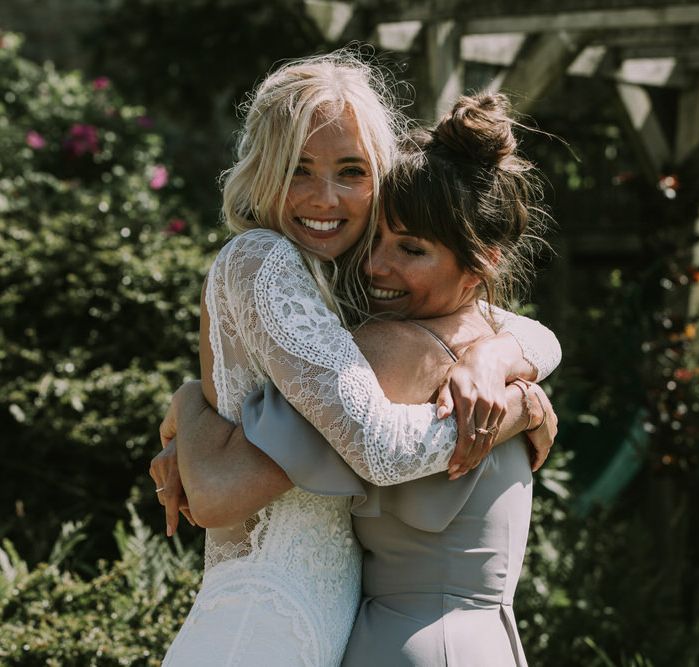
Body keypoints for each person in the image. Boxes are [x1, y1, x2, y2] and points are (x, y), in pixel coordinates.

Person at [151, 52, 560, 667]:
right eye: (298, 170)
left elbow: (516, 329)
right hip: (268, 615)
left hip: (339, 621)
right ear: (263, 170)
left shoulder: (352, 293)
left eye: (351, 170)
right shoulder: (268, 261)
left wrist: (505, 357)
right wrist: (518, 408)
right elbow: (375, 448)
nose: (326, 196)